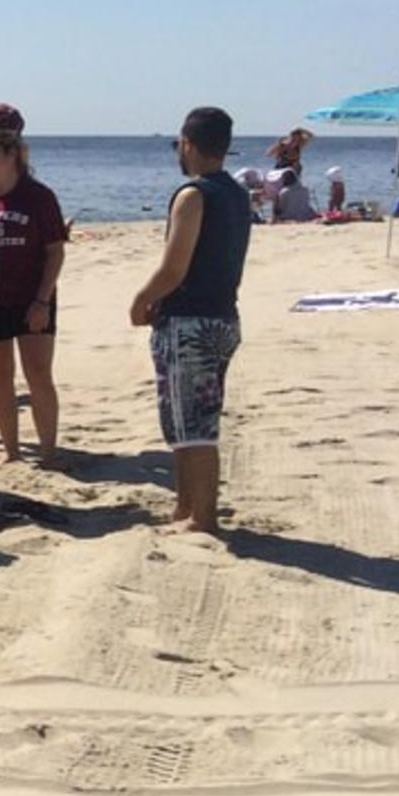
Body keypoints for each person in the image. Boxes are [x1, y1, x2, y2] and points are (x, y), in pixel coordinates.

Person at [130, 107, 252, 535]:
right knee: (183, 421)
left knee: (195, 422)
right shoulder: (237, 194)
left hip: (191, 320)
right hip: (222, 316)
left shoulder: (194, 194)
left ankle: (202, 515)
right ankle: (186, 508)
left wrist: (142, 299)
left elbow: (174, 266)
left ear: (188, 144)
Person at [0, 128, 67, 463]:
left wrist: (42, 300)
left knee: (38, 374)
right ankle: (11, 451)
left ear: (12, 154)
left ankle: (48, 450)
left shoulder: (39, 196)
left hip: (33, 299)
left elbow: (55, 252)